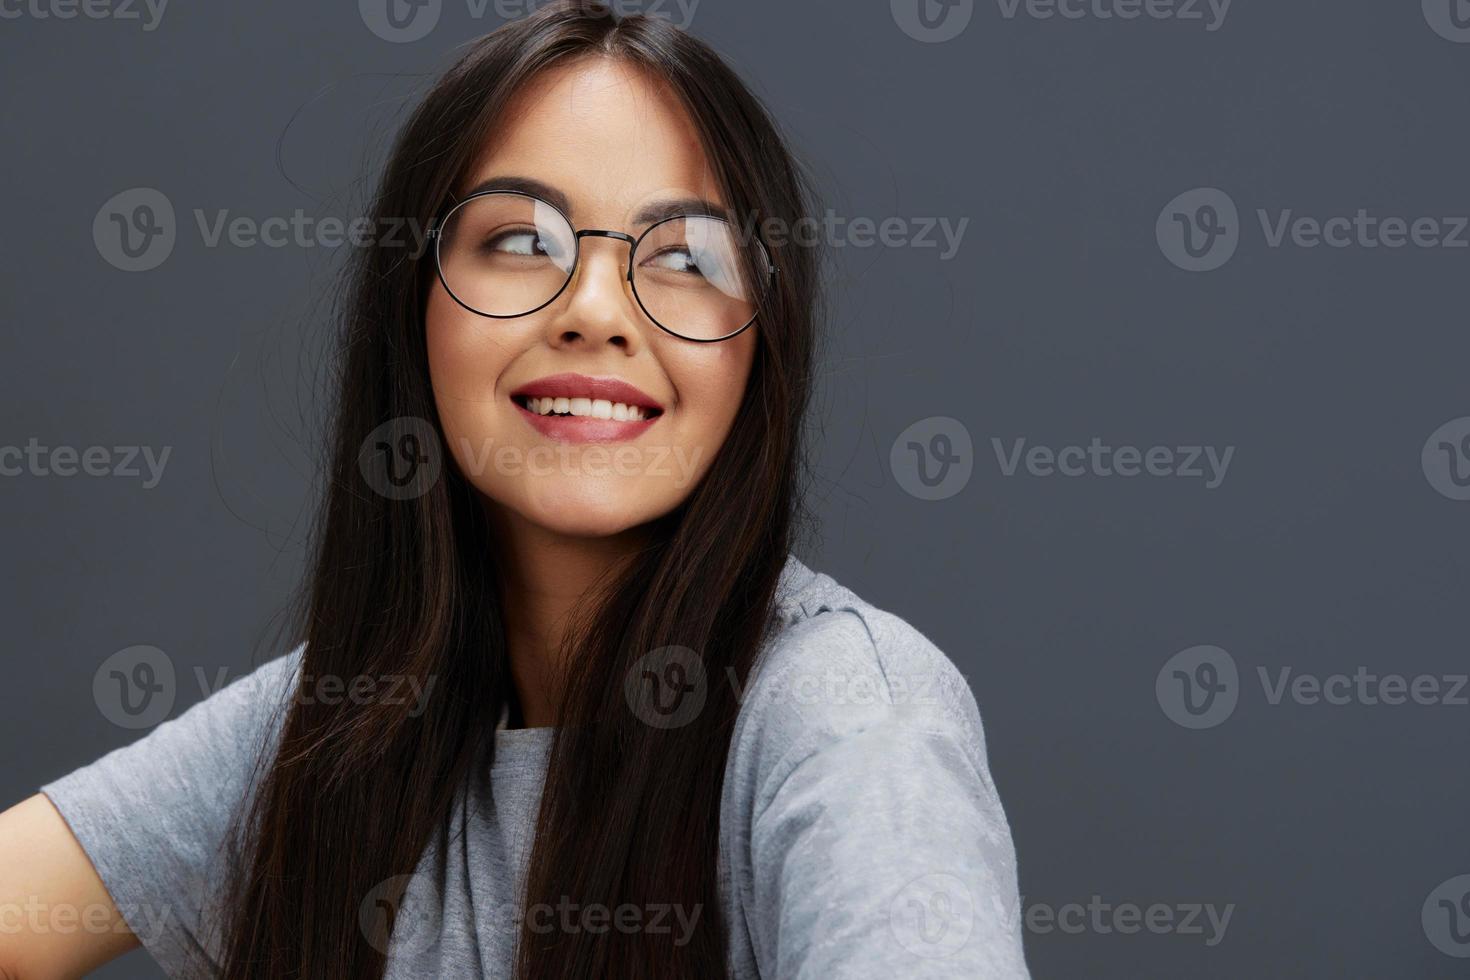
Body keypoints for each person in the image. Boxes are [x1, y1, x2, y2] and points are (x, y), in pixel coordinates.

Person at [0, 3, 1030, 977]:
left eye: (687, 257)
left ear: (762, 346)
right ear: (416, 309)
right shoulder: (341, 719)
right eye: (522, 240)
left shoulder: (847, 714)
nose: (595, 310)